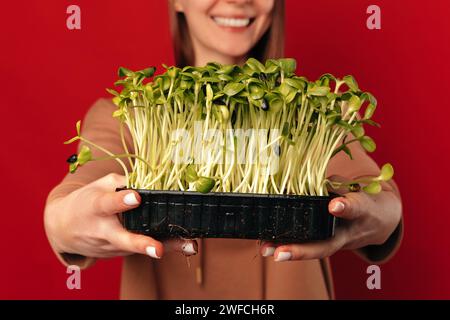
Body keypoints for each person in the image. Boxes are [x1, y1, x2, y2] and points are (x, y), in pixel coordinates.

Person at [44, 0, 403, 299]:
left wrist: (375, 214)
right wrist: (67, 219)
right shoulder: (131, 114)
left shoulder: (312, 116)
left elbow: (377, 195)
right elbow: (74, 197)